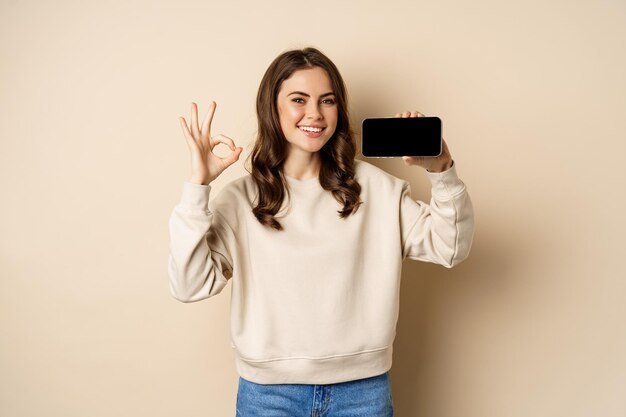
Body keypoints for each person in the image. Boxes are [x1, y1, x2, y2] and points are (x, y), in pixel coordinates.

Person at [168, 46, 474, 416]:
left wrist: (441, 170)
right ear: (272, 107)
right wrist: (197, 187)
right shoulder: (241, 198)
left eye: (327, 101)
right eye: (299, 99)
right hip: (268, 397)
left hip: (362, 393)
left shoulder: (377, 189)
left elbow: (450, 247)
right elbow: (189, 284)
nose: (314, 113)